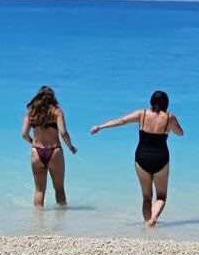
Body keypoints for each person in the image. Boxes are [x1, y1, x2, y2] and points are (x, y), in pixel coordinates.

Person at [90, 90, 185, 227]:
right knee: (161, 196)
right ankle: (153, 220)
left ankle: (147, 223)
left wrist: (100, 127)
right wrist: (171, 126)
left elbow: (122, 121)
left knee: (146, 196)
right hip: (161, 159)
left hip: (141, 158)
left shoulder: (142, 114)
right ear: (166, 103)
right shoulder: (169, 118)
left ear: (151, 101)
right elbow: (180, 133)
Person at [21, 86, 77, 208]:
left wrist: (33, 142)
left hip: (36, 152)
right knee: (59, 189)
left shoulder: (31, 113)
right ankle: (62, 217)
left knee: (39, 191)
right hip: (54, 151)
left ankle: (37, 219)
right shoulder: (57, 112)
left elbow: (24, 134)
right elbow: (63, 133)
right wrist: (70, 147)